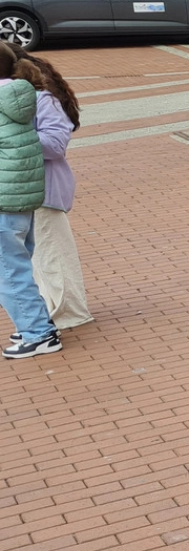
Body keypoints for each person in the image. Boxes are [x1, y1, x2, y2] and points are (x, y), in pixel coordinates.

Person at [17, 48, 91, 332]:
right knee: (39, 256)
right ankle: (55, 308)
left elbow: (55, 145)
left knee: (53, 254)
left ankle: (67, 312)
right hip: (25, 189)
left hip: (44, 189)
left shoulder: (42, 100)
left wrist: (15, 137)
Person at [0, 45, 55, 359]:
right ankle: (34, 323)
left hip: (3, 200)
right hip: (21, 197)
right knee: (19, 266)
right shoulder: (18, 97)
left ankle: (39, 334)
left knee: (9, 272)